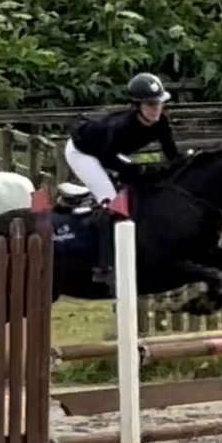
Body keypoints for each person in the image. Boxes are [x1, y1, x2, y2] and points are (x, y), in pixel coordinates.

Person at [63, 72, 181, 287]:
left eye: (159, 103)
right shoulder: (122, 126)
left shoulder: (161, 122)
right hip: (83, 152)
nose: (156, 109)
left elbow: (172, 155)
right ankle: (103, 266)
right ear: (137, 106)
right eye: (150, 104)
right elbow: (109, 159)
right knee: (112, 202)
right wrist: (138, 171)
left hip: (108, 153)